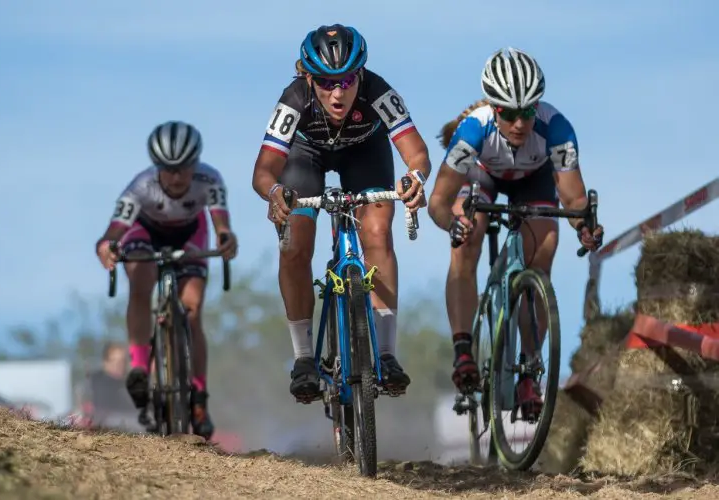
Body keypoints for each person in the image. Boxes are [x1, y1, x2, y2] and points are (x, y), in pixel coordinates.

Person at [251, 24, 431, 402]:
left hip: (365, 152)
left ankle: (385, 352)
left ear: (360, 75)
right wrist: (274, 193)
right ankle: (303, 358)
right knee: (295, 244)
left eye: (348, 81)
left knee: (378, 232)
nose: (338, 92)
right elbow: (263, 171)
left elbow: (417, 153)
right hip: (306, 157)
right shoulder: (294, 98)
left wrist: (414, 177)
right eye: (326, 82)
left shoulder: (378, 90)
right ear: (308, 77)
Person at [427, 47, 604, 416]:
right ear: (494, 108)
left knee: (545, 246)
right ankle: (463, 351)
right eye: (509, 113)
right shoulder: (473, 129)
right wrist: (453, 225)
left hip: (533, 181)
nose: (520, 123)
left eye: (527, 112)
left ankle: (529, 366)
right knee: (468, 236)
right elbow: (439, 202)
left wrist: (583, 227)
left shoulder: (557, 128)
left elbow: (572, 198)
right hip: (481, 176)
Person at [94, 120, 238, 439]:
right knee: (140, 279)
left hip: (190, 233)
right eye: (168, 169)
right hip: (144, 232)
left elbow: (220, 223)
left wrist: (226, 238)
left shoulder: (210, 179)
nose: (175, 177)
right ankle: (140, 368)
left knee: (192, 308)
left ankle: (198, 397)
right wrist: (106, 246)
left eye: (184, 169)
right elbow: (115, 230)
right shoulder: (140, 186)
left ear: (195, 163)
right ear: (156, 166)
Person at [77, 341, 141, 432]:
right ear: (105, 362)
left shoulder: (130, 385)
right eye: (114, 360)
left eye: (122, 361)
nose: (118, 365)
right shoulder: (94, 383)